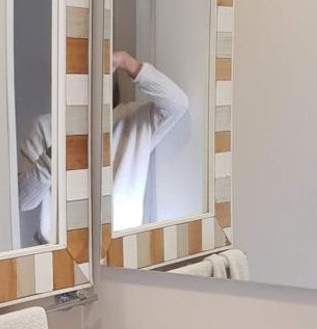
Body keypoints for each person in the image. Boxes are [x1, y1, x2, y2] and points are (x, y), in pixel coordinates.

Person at [18, 51, 189, 245]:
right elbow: (24, 200)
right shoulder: (43, 127)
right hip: (61, 252)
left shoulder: (133, 120)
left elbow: (177, 103)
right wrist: (56, 152)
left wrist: (126, 61)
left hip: (121, 247)